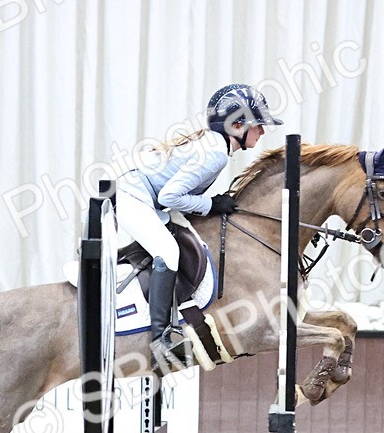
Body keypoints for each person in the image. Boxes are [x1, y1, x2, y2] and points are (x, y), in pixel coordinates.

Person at [115, 84, 283, 370]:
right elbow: (170, 196)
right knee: (168, 252)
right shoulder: (214, 154)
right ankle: (161, 337)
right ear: (237, 125)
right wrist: (211, 205)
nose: (262, 132)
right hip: (133, 198)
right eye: (258, 125)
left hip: (147, 199)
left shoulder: (216, 145)